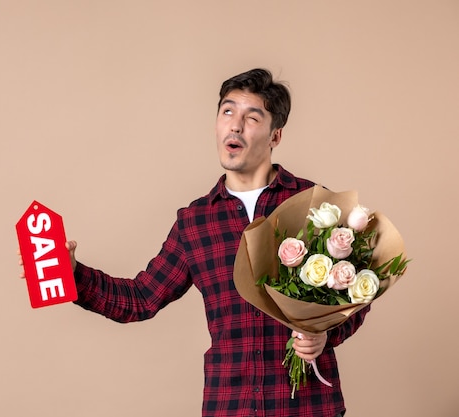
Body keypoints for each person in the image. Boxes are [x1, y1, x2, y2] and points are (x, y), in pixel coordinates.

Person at [33, 69, 370, 417]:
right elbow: (140, 298)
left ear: (275, 135)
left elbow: (356, 291)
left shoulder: (315, 205)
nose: (235, 126)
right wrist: (71, 272)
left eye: (252, 117)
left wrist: (326, 336)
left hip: (309, 408)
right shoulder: (195, 221)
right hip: (230, 406)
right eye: (227, 112)